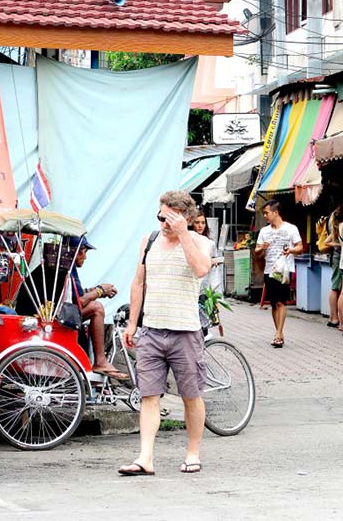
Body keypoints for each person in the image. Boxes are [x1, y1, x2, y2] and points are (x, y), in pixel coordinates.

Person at [118, 190, 212, 476]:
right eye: (161, 216)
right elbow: (138, 282)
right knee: (149, 394)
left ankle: (193, 452)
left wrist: (184, 234)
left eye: (169, 217)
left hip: (185, 331)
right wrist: (133, 323)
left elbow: (200, 269)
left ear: (185, 217)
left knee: (191, 394)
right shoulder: (149, 241)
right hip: (152, 329)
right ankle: (145, 457)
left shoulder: (200, 242)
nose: (163, 223)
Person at [68, 236, 127, 380]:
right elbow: (79, 302)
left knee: (95, 304)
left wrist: (96, 290)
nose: (85, 257)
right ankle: (100, 361)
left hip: (58, 313)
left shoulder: (69, 268)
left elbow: (76, 294)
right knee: (97, 308)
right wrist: (99, 291)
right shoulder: (65, 268)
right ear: (75, 252)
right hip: (55, 319)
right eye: (83, 252)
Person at [254, 199, 303, 348]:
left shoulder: (291, 229)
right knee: (274, 303)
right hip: (270, 270)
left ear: (276, 213)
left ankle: (278, 334)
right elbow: (256, 252)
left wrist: (291, 250)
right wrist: (262, 247)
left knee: (281, 301)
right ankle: (279, 332)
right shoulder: (264, 231)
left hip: (284, 271)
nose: (265, 216)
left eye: (267, 213)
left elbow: (300, 247)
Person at [191, 212, 224, 291]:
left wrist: (213, 261)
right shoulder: (188, 242)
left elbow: (215, 258)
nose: (200, 226)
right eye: (197, 222)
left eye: (203, 223)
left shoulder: (210, 243)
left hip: (207, 280)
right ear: (192, 224)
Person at [324, 210, 342, 328]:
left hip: (336, 258)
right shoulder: (340, 228)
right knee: (336, 286)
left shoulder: (336, 228)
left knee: (336, 286)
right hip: (338, 258)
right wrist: (340, 245)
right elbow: (326, 242)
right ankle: (334, 317)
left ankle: (333, 316)